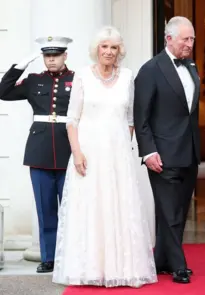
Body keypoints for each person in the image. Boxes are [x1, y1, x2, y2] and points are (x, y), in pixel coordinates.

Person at [51, 26, 157, 288]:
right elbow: (71, 120)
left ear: (119, 50)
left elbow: (130, 119)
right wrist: (77, 153)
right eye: (104, 46)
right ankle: (90, 268)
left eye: (113, 47)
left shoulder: (128, 77)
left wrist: (121, 144)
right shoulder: (83, 77)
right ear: (96, 49)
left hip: (118, 154)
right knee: (91, 207)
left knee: (118, 207)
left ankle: (120, 268)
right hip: (88, 153)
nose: (109, 52)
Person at [134, 16, 200, 284]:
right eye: (186, 39)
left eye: (192, 39)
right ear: (168, 38)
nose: (190, 44)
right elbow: (141, 116)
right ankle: (178, 265)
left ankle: (161, 258)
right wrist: (148, 151)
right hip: (162, 154)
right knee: (169, 211)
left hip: (189, 153)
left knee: (178, 211)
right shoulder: (150, 69)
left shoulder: (192, 66)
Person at [0, 36, 74, 273]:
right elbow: (3, 91)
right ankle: (49, 257)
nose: (51, 60)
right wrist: (20, 66)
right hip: (40, 151)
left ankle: (71, 256)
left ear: (65, 56)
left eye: (56, 55)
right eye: (47, 56)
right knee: (45, 209)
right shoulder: (34, 81)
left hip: (70, 150)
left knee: (72, 209)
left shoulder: (78, 79)